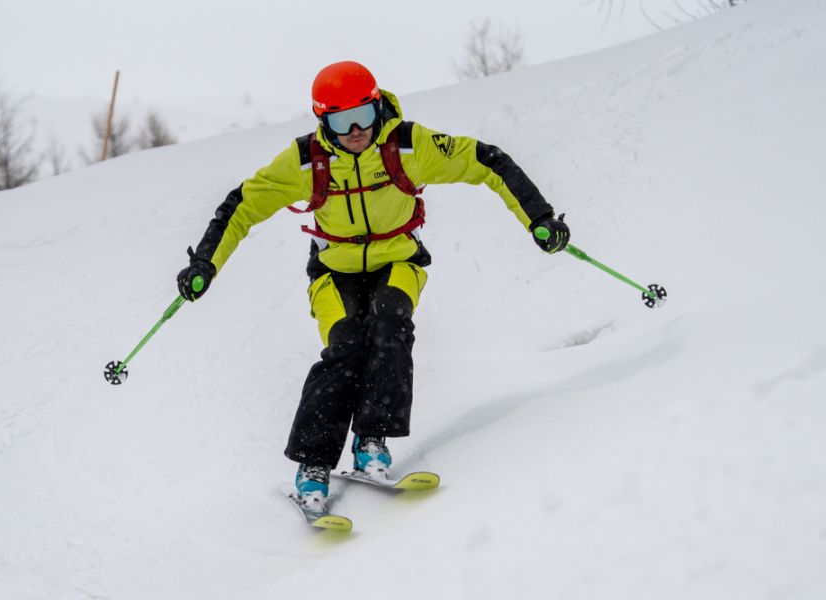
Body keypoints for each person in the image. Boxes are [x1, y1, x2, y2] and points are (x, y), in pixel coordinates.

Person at [176, 61, 570, 511]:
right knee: (345, 346)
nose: (357, 130)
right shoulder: (306, 160)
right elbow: (242, 206)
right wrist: (204, 262)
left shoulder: (409, 145)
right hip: (333, 272)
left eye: (365, 113)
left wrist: (539, 218)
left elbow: (486, 162)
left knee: (391, 323)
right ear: (323, 120)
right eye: (342, 122)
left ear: (378, 103)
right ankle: (313, 464)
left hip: (398, 260)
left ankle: (371, 439)